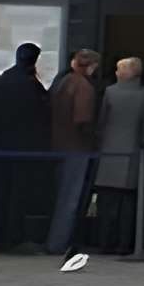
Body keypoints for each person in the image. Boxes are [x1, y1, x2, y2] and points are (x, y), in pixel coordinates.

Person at [0, 43, 51, 250]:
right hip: (22, 146)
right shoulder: (29, 83)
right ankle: (11, 234)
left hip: (0, 145)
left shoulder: (5, 79)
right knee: (16, 192)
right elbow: (40, 113)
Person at [94, 56, 144, 258]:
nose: (115, 72)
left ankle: (105, 242)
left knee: (107, 203)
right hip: (133, 154)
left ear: (124, 73)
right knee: (128, 204)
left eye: (118, 69)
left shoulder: (110, 92)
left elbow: (102, 122)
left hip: (109, 153)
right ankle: (125, 244)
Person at [46, 47, 102, 255]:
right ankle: (59, 243)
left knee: (60, 196)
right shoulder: (84, 87)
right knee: (70, 199)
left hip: (58, 144)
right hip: (77, 147)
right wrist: (94, 138)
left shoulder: (62, 82)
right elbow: (82, 119)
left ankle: (55, 241)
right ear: (92, 66)